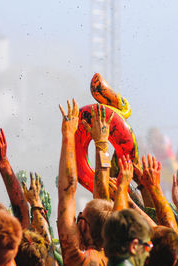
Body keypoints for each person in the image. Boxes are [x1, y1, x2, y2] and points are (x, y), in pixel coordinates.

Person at [57, 99, 113, 265]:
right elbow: (102, 197)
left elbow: (66, 192)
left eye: (79, 216)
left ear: (83, 227)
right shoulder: (122, 260)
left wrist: (68, 134)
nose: (77, 218)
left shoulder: (76, 257)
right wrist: (101, 144)